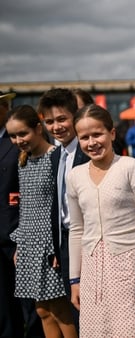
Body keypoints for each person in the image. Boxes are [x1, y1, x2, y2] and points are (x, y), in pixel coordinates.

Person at [66, 104, 135, 337]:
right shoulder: (75, 176)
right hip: (91, 269)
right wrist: (74, 279)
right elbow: (76, 229)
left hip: (127, 262)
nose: (92, 142)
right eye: (84, 137)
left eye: (97, 134)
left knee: (127, 331)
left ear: (112, 133)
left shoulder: (130, 167)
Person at [6, 105, 77, 338]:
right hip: (28, 244)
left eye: (22, 133)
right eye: (13, 136)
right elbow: (25, 207)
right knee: (42, 310)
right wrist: (20, 245)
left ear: (38, 129)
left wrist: (58, 246)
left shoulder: (56, 158)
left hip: (49, 243)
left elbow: (62, 207)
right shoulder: (22, 161)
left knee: (59, 309)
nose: (18, 140)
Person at [38, 87, 89, 331]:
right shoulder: (56, 155)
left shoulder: (89, 149)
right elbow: (57, 206)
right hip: (66, 243)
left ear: (75, 116)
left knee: (94, 310)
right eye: (49, 121)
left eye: (61, 119)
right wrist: (57, 247)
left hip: (91, 239)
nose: (56, 127)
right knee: (76, 305)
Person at [0, 92, 44, 338]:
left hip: (21, 238)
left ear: (5, 107)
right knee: (5, 310)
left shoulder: (20, 141)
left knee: (34, 308)